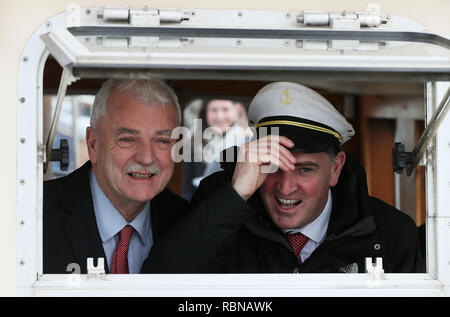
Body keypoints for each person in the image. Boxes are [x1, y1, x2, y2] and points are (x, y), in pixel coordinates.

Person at [143, 82, 425, 273]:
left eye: (304, 169)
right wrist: (235, 194)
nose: (286, 186)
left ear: (335, 168)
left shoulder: (390, 233)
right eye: (272, 165)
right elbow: (159, 280)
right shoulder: (218, 212)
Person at [43, 79, 189, 274]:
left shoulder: (187, 222)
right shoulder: (33, 214)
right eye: (127, 139)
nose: (146, 158)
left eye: (162, 140)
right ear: (93, 145)